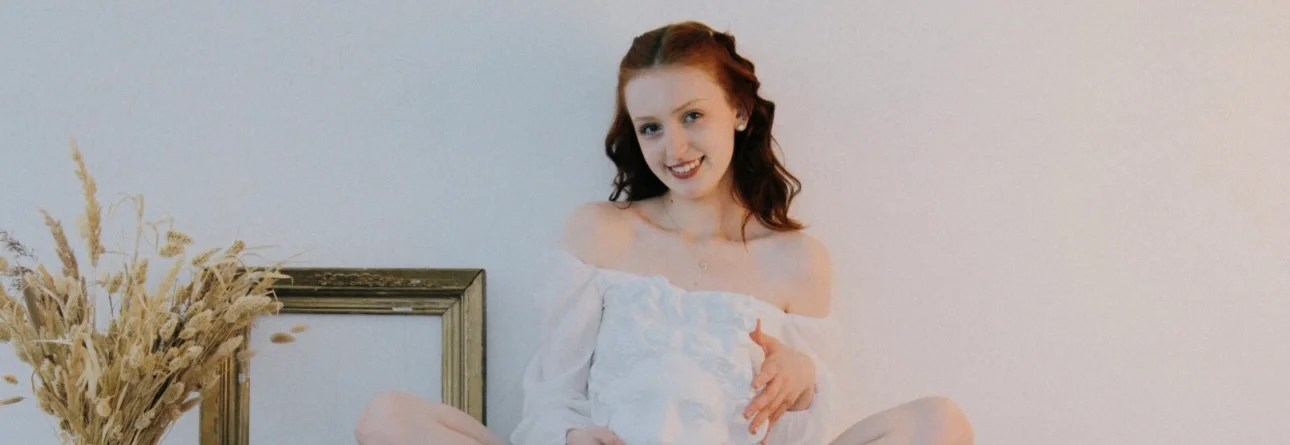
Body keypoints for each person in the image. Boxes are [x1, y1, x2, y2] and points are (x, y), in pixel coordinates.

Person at [354, 21, 974, 445]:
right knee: (387, 417)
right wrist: (570, 435)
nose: (673, 148)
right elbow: (550, 396)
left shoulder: (798, 261)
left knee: (939, 423)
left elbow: (803, 436)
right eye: (650, 127)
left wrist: (803, 378)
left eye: (692, 116)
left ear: (739, 111)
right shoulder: (602, 232)